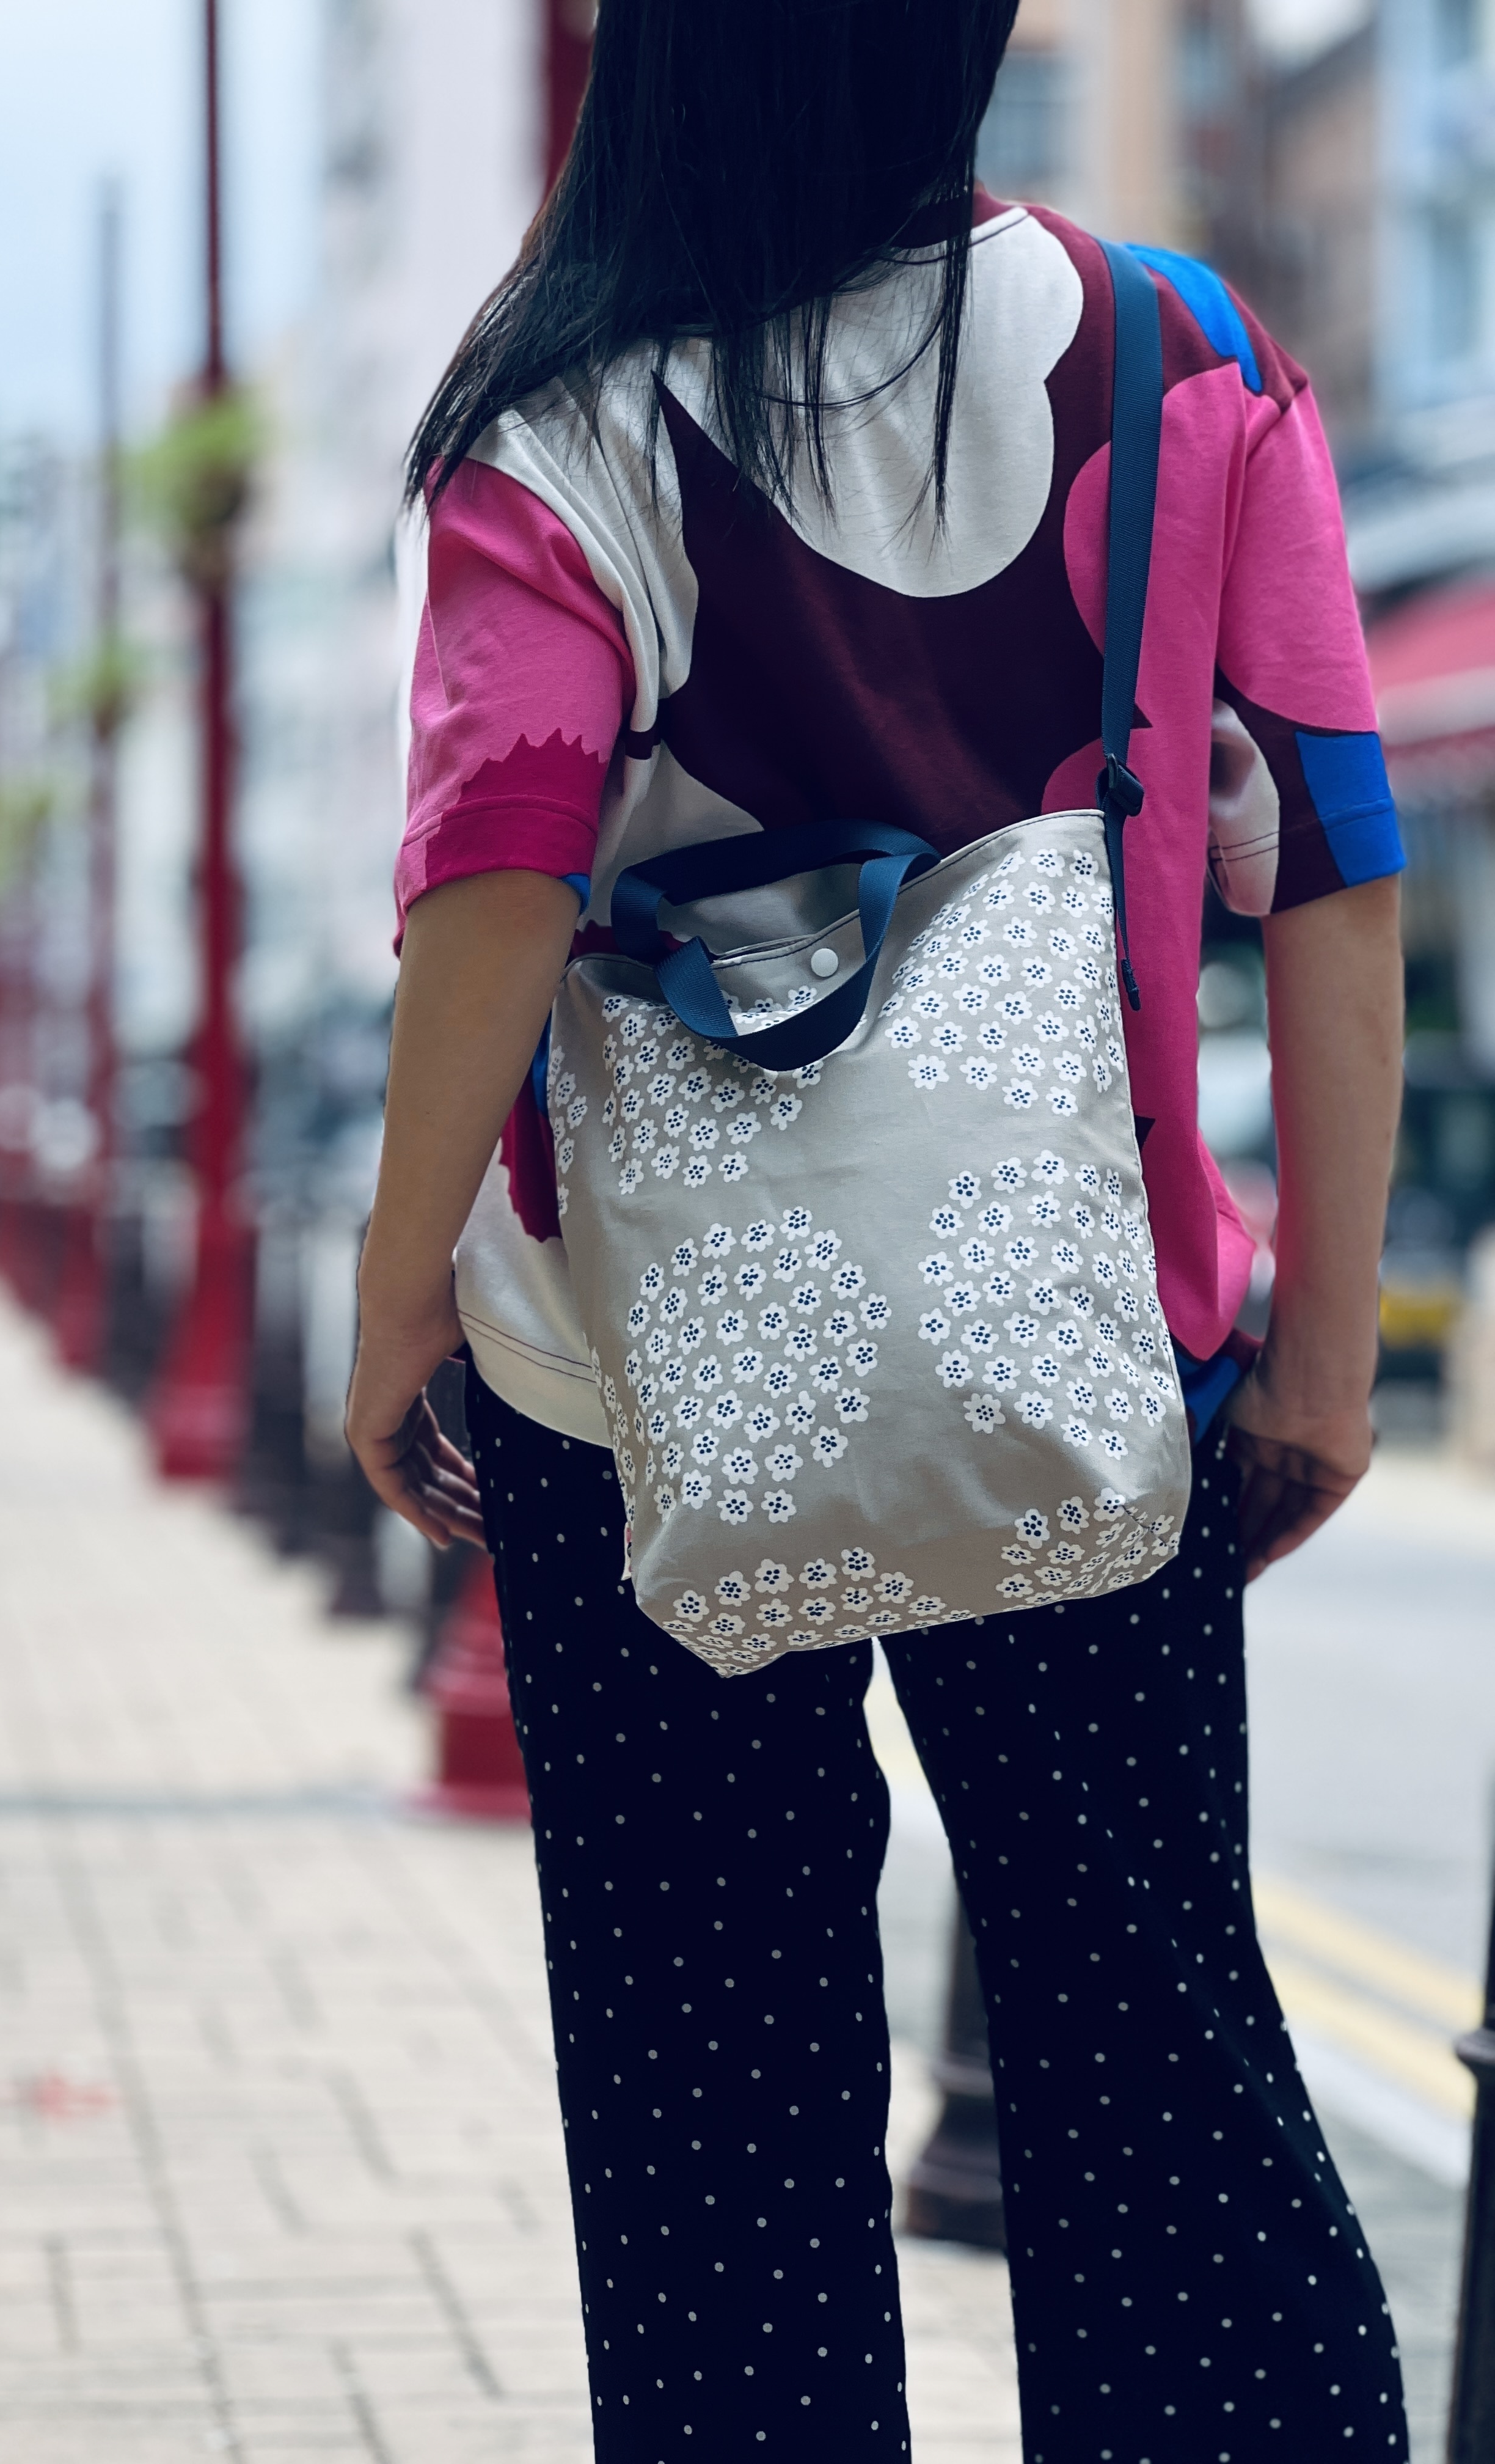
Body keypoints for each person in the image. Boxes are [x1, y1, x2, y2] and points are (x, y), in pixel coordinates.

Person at [346, 2, 1409, 2454]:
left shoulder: (564, 410)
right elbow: (1339, 860)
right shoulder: (1177, 352)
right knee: (1164, 2108)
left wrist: (398, 1307)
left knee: (723, 2136)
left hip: (632, 1376)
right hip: (1092, 1352)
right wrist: (1329, 1350)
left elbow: (494, 879)